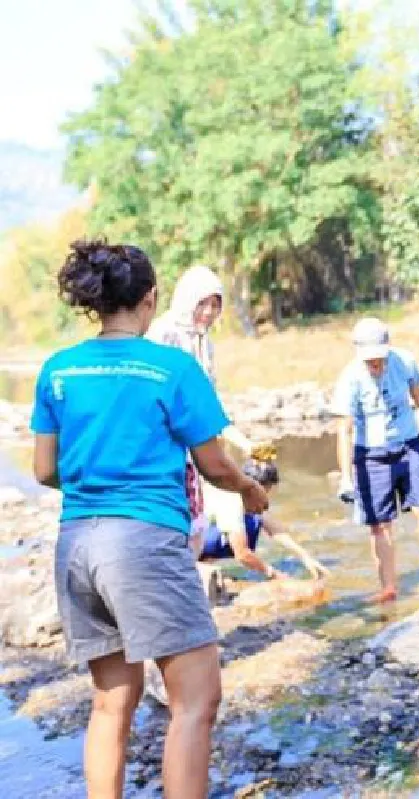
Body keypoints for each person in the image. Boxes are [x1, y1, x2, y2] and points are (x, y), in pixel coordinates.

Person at [30, 240, 269, 799]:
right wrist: (252, 491)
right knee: (196, 700)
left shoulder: (58, 369)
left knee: (112, 700)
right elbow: (214, 466)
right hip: (141, 544)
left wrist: (98, 480)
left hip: (76, 546)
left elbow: (43, 470)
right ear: (151, 298)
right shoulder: (172, 368)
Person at [333, 317, 419, 602]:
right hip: (370, 455)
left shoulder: (405, 362)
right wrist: (345, 478)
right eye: (370, 360)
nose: (376, 364)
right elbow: (344, 430)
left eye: (379, 358)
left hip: (409, 446)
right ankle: (389, 587)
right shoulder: (350, 379)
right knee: (379, 524)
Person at [146, 265, 259, 549]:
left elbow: (208, 403)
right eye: (203, 304)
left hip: (192, 450)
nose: (208, 312)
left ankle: (190, 583)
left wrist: (244, 444)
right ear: (187, 301)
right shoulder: (163, 334)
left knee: (194, 526)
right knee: (169, 526)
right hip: (161, 449)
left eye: (215, 305)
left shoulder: (205, 343)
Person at [199, 458, 330, 581]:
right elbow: (242, 554)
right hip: (193, 550)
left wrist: (305, 556)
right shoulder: (231, 501)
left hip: (206, 549)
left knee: (254, 520)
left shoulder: (247, 498)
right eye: (266, 491)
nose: (266, 496)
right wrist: (274, 574)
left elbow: (274, 529)